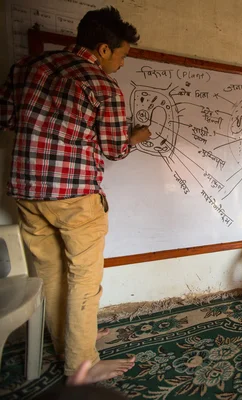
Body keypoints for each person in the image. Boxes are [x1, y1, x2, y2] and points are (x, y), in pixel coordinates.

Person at [0, 7, 151, 382]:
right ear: (102, 49)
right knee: (83, 277)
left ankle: (68, 342)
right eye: (121, 55)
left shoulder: (26, 67)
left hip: (27, 190)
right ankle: (80, 366)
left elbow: (5, 120)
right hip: (75, 195)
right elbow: (115, 149)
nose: (120, 63)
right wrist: (137, 136)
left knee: (50, 273)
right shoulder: (101, 85)